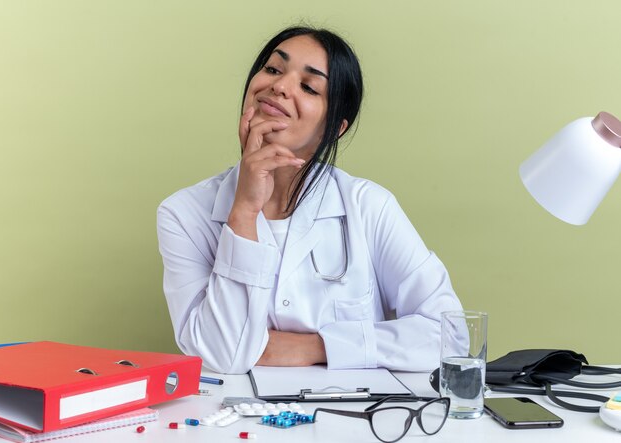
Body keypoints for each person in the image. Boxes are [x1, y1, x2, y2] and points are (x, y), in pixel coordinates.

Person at [157, 26, 463, 374]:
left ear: (334, 128)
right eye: (273, 69)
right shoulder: (183, 214)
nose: (280, 86)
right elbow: (220, 356)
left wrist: (317, 346)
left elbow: (450, 336)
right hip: (237, 422)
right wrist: (244, 210)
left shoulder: (368, 207)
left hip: (358, 420)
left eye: (309, 86)